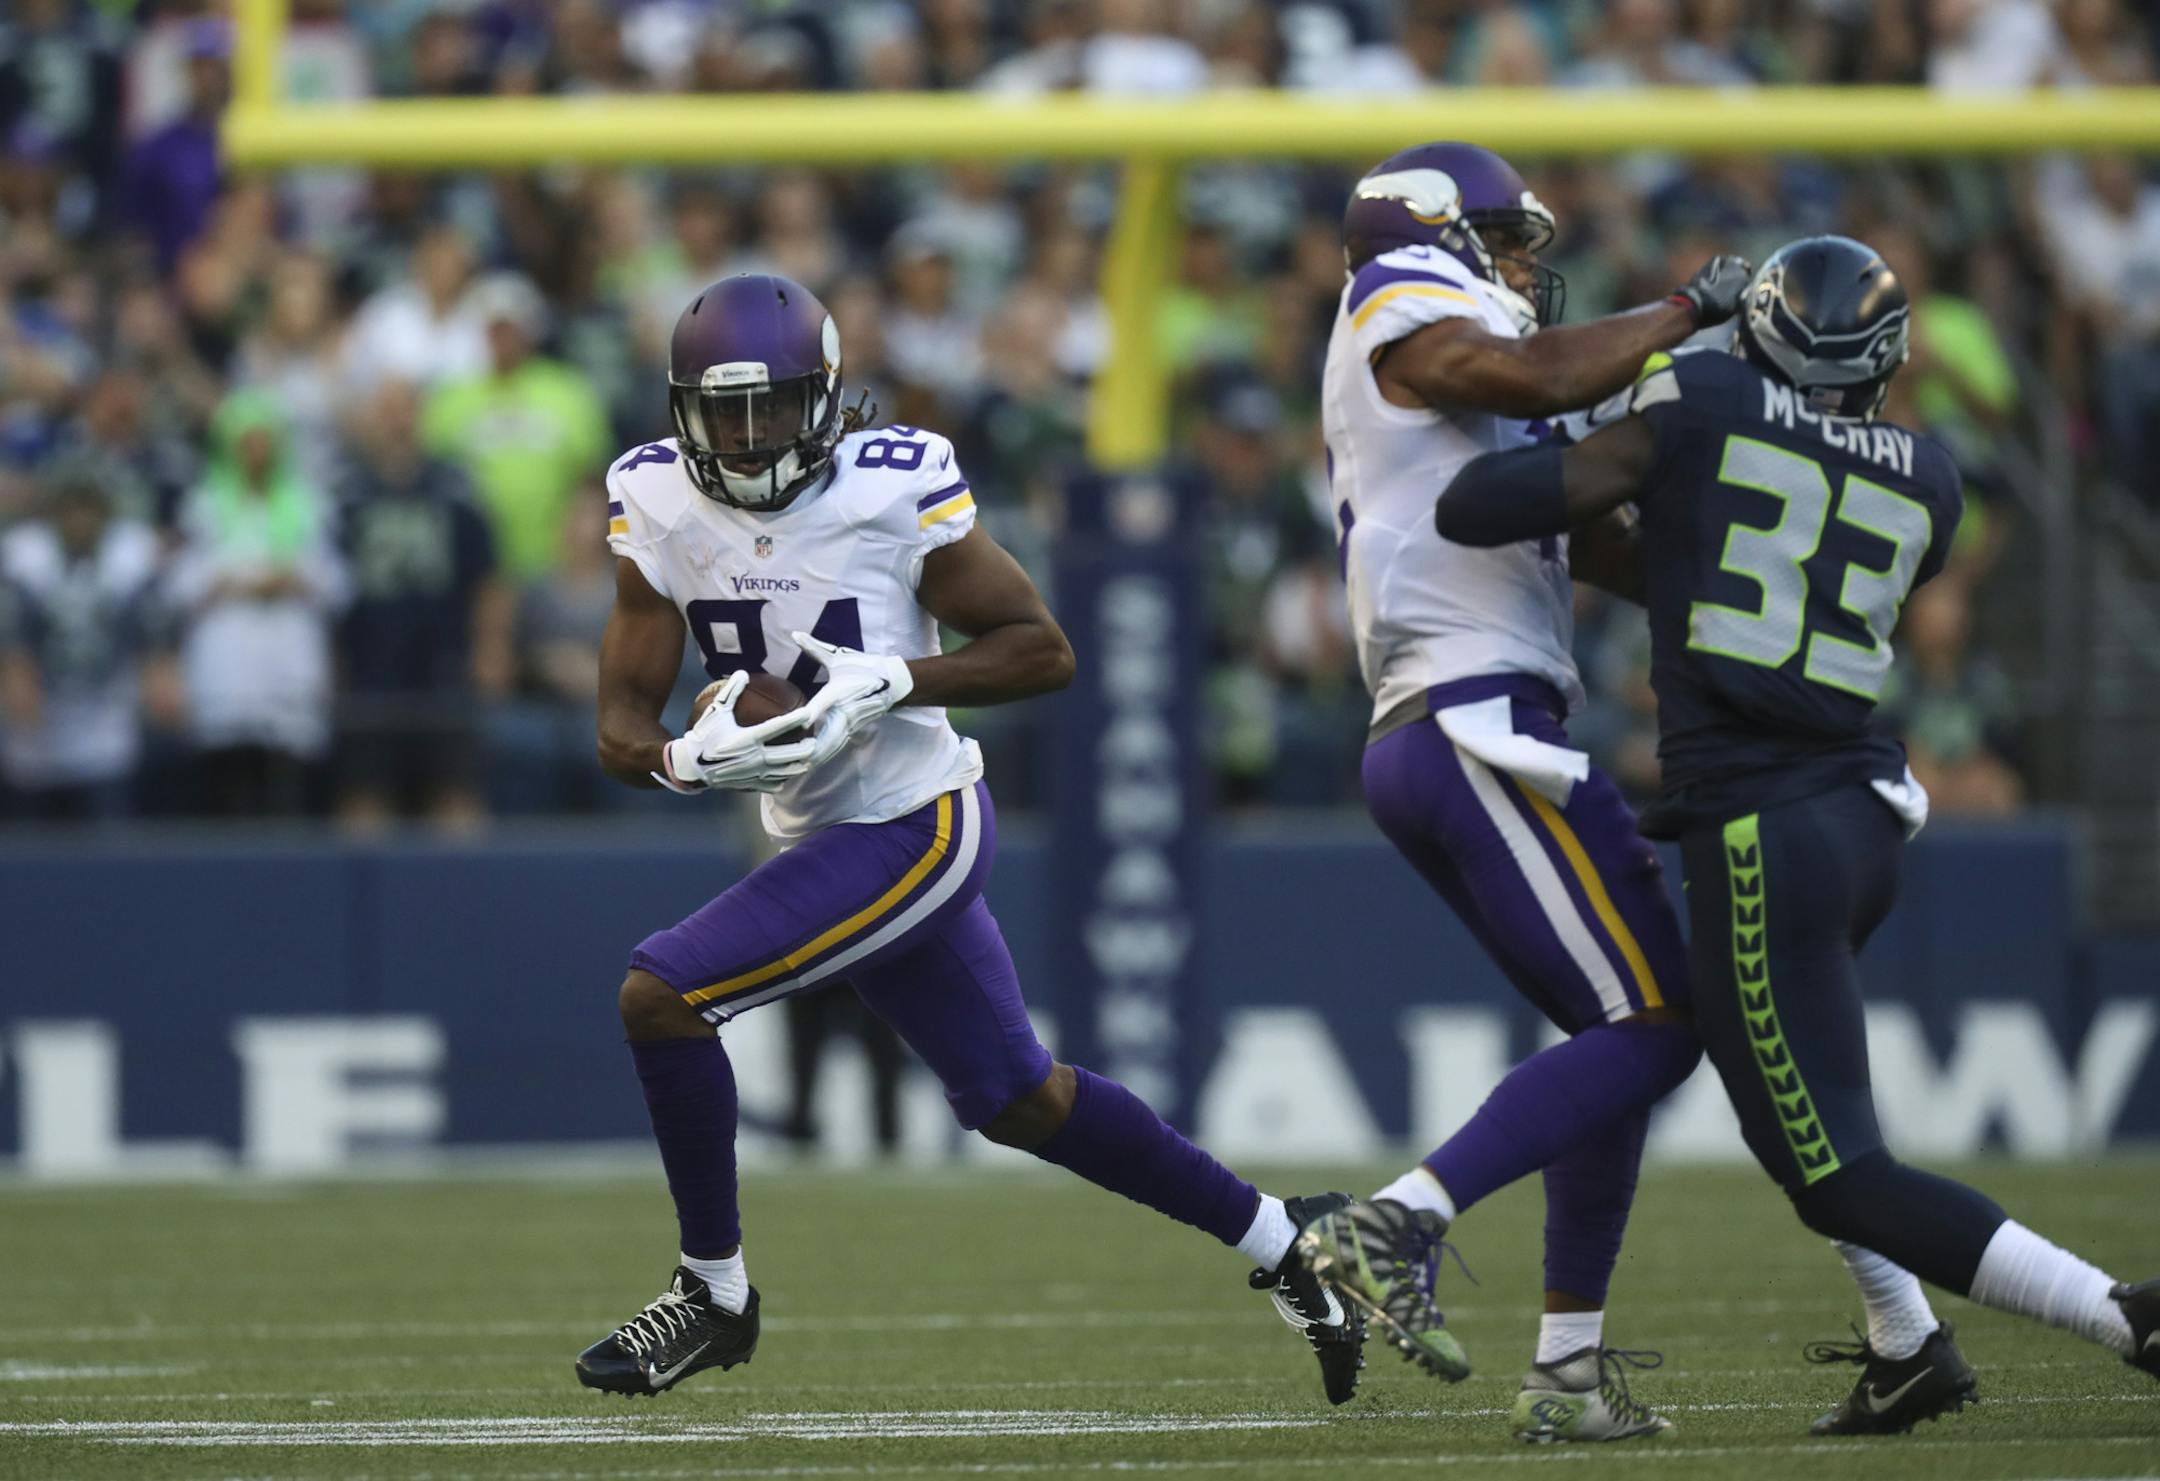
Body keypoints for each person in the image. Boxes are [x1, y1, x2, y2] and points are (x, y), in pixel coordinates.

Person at [572, 273, 1363, 1402]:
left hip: (915, 820)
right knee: (1019, 1097)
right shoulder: (656, 498)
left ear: (828, 399)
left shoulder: (890, 488)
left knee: (661, 992)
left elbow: (1042, 648)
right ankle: (1290, 1240)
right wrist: (680, 757)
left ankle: (716, 1292)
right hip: (814, 831)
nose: (746, 439)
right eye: (722, 412)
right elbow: (617, 723)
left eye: (772, 409)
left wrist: (895, 678)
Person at [1436, 234, 2159, 1432]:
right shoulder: (1932, 477)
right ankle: (1908, 1343)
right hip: (1860, 814)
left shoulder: (1710, 400)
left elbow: (1482, 505)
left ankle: (2124, 1315)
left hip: (1762, 827)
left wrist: (1600, 415)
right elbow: (1728, 563)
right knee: (1796, 1095)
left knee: (1833, 1169)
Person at [1296, 140, 1751, 1443]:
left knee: (1615, 1044)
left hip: (1473, 719)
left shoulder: (1488, 370)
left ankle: (1566, 1372)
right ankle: (1397, 1222)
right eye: (1506, 241)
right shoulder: (1400, 300)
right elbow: (1523, 368)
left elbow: (1603, 535)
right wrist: (1679, 316)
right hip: (1470, 718)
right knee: (1661, 1021)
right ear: (1438, 235)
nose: (1521, 269)